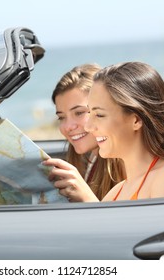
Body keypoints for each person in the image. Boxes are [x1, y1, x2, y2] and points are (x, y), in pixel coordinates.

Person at [67, 61, 164, 202]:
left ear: (136, 120)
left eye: (99, 115)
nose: (88, 127)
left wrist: (89, 201)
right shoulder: (115, 192)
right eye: (89, 112)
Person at [43, 63, 125, 202]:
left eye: (79, 113)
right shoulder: (93, 159)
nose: (68, 126)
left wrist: (86, 198)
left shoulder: (126, 164)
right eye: (61, 117)